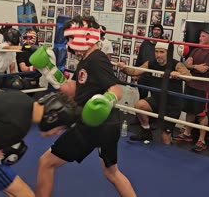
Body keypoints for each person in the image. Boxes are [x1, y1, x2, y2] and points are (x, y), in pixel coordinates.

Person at [30, 15, 137, 197]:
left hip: (92, 126)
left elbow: (115, 90)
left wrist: (104, 101)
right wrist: (49, 71)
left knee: (46, 163)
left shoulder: (97, 59)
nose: (69, 43)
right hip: (109, 126)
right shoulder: (86, 60)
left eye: (71, 37)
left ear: (86, 34)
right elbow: (72, 90)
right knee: (112, 173)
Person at [117, 42, 191, 144]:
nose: (158, 55)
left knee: (165, 138)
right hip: (156, 99)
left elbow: (189, 78)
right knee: (139, 106)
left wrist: (179, 74)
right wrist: (123, 67)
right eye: (156, 51)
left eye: (162, 52)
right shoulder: (151, 63)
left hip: (172, 104)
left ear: (168, 53)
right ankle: (146, 132)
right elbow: (134, 72)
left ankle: (167, 155)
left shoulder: (176, 64)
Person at [174, 28, 209, 152]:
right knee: (189, 110)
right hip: (190, 84)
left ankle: (201, 140)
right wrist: (194, 66)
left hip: (203, 86)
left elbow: (204, 70)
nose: (200, 38)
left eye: (203, 36)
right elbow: (186, 65)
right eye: (200, 36)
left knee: (201, 114)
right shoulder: (195, 49)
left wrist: (193, 67)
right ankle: (187, 133)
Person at [0, 27, 22, 92]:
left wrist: (15, 78)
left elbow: (12, 68)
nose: (20, 39)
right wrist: (23, 47)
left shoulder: (13, 51)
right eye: (18, 37)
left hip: (4, 75)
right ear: (14, 37)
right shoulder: (2, 45)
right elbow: (7, 48)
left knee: (2, 96)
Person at [135, 24, 164, 100]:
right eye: (155, 29)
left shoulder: (164, 44)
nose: (156, 31)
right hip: (144, 75)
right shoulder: (145, 43)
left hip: (156, 76)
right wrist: (135, 72)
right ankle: (139, 112)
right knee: (142, 97)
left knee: (155, 99)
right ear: (152, 31)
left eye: (158, 30)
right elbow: (139, 57)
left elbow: (167, 60)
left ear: (161, 32)